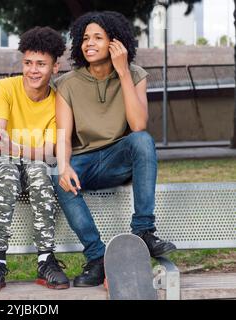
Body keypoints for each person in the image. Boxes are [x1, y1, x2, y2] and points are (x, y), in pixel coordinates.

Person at [53, 11, 177, 288]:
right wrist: (64, 166)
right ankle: (97, 259)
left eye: (98, 37)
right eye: (85, 38)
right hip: (85, 161)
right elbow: (63, 135)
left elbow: (138, 124)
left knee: (142, 140)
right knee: (58, 179)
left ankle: (143, 230)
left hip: (119, 157)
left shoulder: (135, 75)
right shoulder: (67, 83)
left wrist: (122, 72)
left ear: (115, 42)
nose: (89, 43)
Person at [0, 26, 69, 292]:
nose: (33, 70)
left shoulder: (58, 101)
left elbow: (49, 152)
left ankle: (46, 260)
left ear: (55, 67)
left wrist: (13, 145)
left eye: (41, 64)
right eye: (28, 63)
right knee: (6, 168)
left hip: (30, 163)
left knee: (38, 169)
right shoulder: (5, 87)